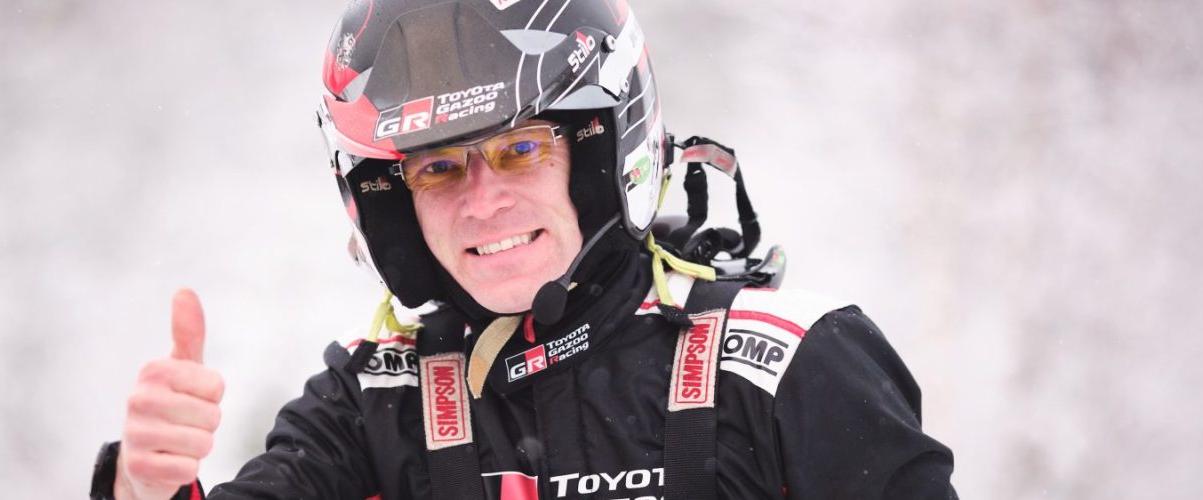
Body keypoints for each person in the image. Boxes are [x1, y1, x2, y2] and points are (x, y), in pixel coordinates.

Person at [90, 0, 958, 498]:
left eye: (519, 148)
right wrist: (144, 486)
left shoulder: (791, 366)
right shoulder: (374, 402)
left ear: (600, 152)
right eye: (436, 169)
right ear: (394, 208)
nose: (483, 200)